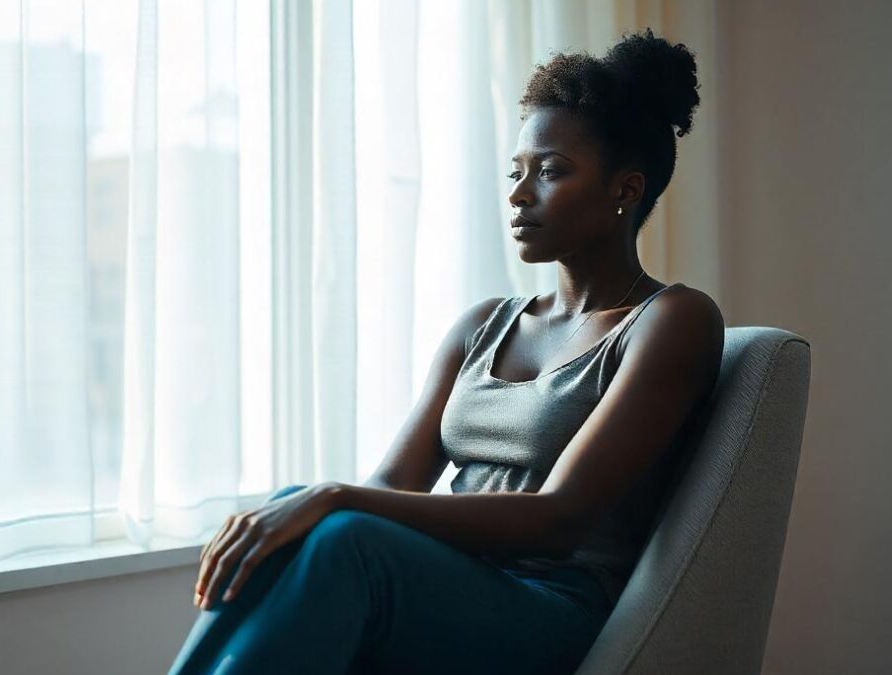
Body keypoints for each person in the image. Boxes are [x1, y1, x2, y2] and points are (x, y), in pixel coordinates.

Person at [169, 27, 723, 675]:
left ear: (625, 190)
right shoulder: (482, 325)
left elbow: (560, 519)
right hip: (449, 584)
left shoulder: (671, 320)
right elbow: (393, 484)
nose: (519, 194)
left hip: (553, 608)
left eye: (551, 172)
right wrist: (320, 496)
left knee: (343, 529)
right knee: (297, 511)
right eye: (516, 172)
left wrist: (334, 497)